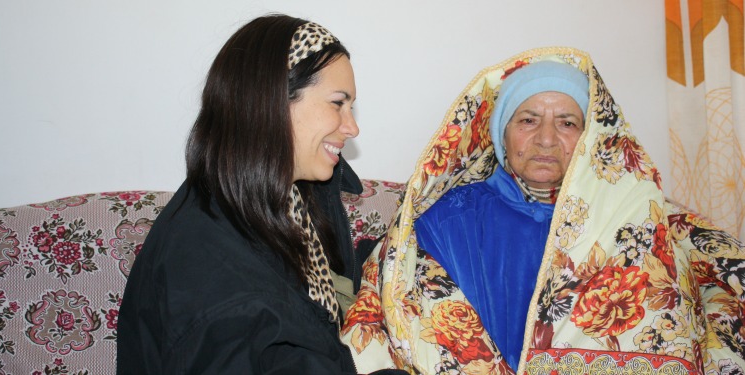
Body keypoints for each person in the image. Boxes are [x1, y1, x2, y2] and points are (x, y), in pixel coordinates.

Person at [341, 47, 745, 374]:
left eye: (567, 123)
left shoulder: (635, 216)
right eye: (529, 120)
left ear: (590, 138)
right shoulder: (448, 221)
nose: (547, 139)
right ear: (503, 133)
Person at [117, 14, 406, 374]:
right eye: (337, 103)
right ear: (272, 103)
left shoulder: (282, 199)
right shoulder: (208, 269)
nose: (352, 126)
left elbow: (315, 301)